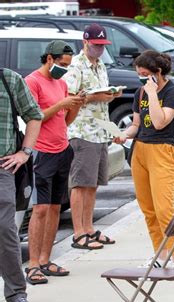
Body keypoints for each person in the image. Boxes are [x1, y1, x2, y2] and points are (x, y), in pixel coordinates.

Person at [113, 50, 174, 277]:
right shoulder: (140, 93)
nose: (142, 79)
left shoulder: (172, 92)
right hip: (140, 150)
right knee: (149, 209)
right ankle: (160, 254)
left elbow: (160, 121)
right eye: (139, 75)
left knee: (165, 208)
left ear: (158, 72)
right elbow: (137, 124)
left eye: (145, 75)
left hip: (163, 150)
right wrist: (124, 134)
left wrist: (153, 94)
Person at [24, 41, 84, 285]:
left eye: (67, 66)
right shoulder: (32, 82)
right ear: (49, 58)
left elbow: (64, 120)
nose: (63, 69)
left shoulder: (61, 83)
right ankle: (33, 264)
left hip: (62, 148)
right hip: (41, 151)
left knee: (56, 208)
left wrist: (76, 105)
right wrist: (60, 104)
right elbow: (34, 117)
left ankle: (47, 259)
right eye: (61, 64)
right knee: (39, 209)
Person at [63, 24, 121, 250]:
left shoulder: (100, 66)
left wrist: (109, 95)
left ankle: (89, 228)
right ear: (85, 42)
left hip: (99, 131)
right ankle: (78, 233)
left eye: (102, 46)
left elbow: (101, 97)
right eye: (96, 45)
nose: (99, 50)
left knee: (93, 184)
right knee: (80, 184)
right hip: (81, 131)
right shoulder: (76, 66)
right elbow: (69, 99)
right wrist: (95, 97)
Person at [0, 68, 42, 302]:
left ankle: (16, 293)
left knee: (5, 230)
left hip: (3, 167)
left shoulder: (10, 79)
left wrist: (24, 153)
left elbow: (34, 115)